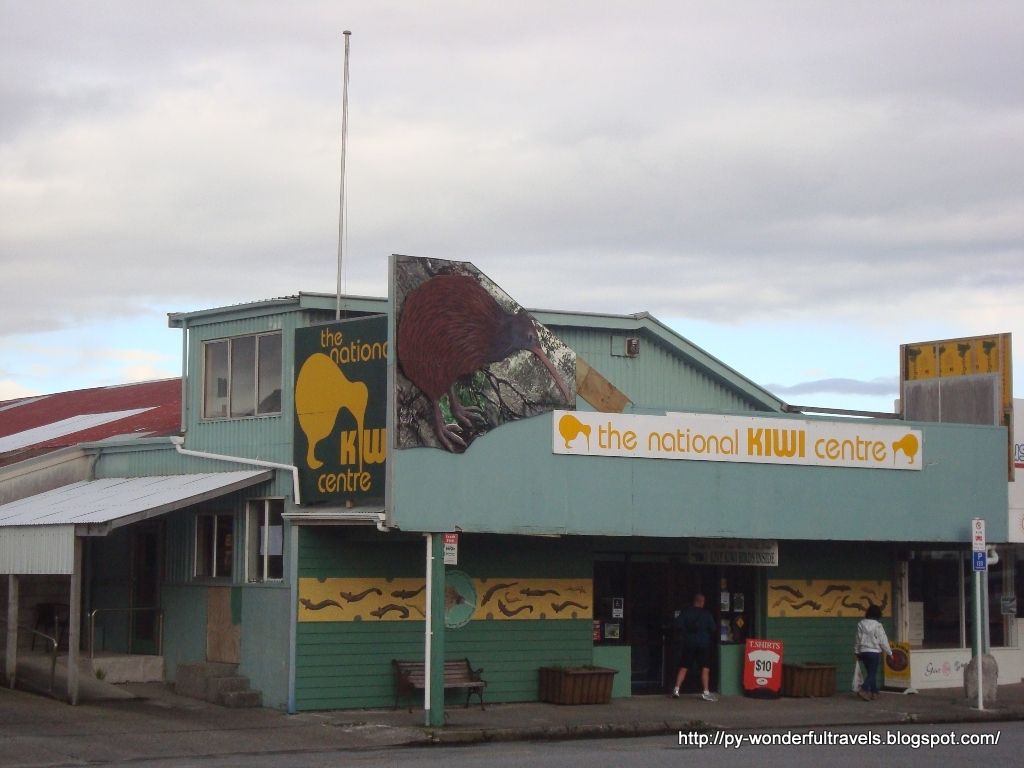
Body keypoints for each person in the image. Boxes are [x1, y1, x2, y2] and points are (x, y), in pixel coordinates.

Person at [672, 593, 718, 701]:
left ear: (694, 601)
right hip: (703, 644)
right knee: (705, 668)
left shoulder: (686, 612)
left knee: (684, 666)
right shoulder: (706, 614)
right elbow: (713, 628)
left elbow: (678, 625)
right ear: (702, 602)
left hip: (689, 643)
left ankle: (676, 689)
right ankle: (706, 691)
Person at [854, 603, 893, 701]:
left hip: (863, 651)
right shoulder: (878, 625)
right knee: (872, 673)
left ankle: (874, 692)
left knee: (870, 672)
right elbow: (883, 640)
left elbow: (858, 638)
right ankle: (863, 689)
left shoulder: (861, 624)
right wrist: (889, 653)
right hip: (874, 652)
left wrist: (856, 651)